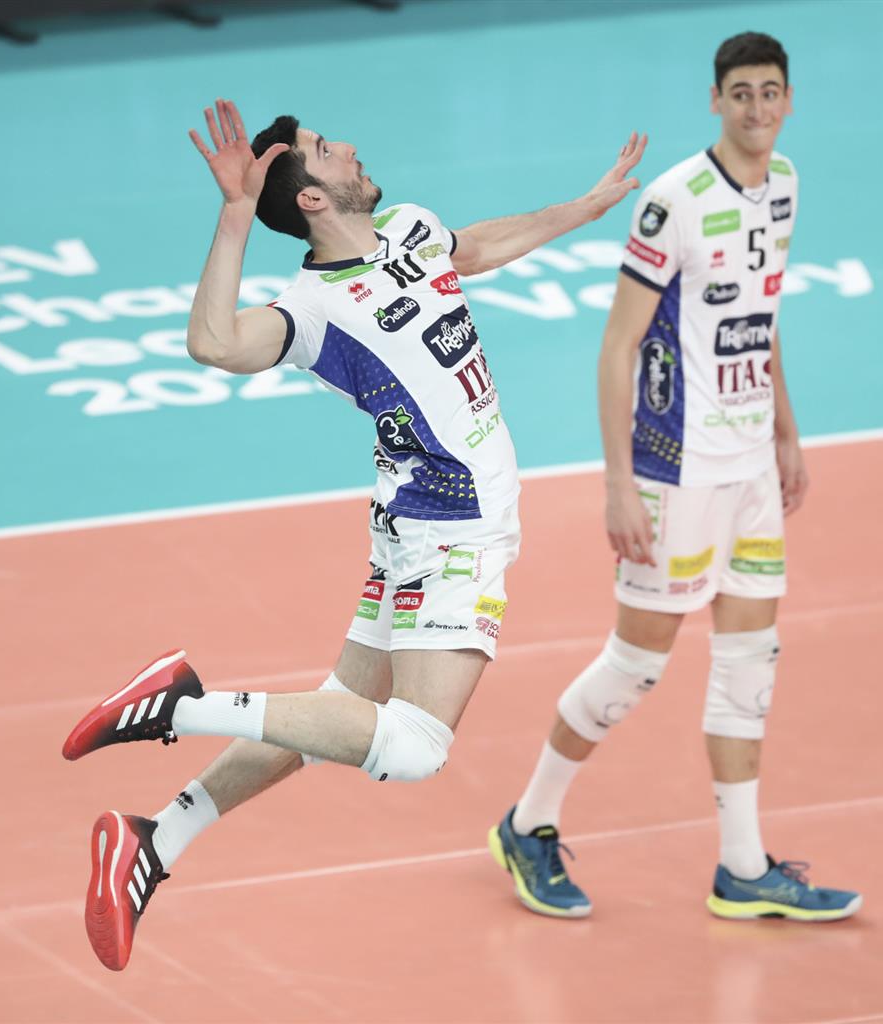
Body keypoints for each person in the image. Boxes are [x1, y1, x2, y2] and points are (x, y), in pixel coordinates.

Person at [61, 97, 647, 971]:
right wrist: (234, 214)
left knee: (334, 714)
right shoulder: (312, 311)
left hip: (411, 521)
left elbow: (479, 246)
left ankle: (155, 838)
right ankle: (176, 703)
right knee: (412, 747)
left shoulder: (410, 229)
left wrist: (583, 208)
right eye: (327, 150)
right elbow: (214, 344)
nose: (349, 148)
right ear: (311, 198)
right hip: (452, 530)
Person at [488, 32, 861, 922]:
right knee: (635, 666)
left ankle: (742, 868)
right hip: (675, 468)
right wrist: (617, 483)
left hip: (750, 469)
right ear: (715, 101)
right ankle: (527, 823)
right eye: (741, 92)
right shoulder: (675, 202)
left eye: (770, 91)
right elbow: (618, 344)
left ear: (788, 100)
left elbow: (761, 315)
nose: (757, 107)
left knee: (748, 664)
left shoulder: (784, 185)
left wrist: (785, 431)